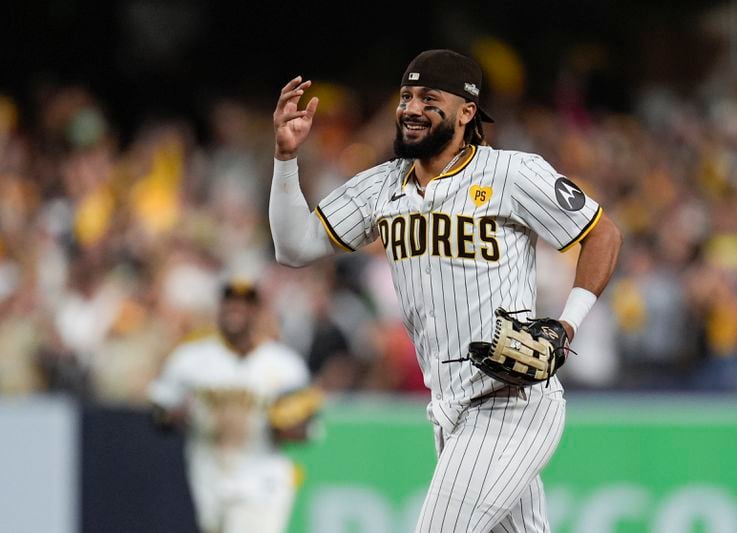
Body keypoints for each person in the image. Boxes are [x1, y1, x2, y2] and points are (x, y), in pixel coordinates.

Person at [269, 49, 622, 532]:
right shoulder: (382, 186)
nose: (411, 108)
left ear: (466, 111)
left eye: (429, 98)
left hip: (510, 402)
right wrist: (286, 158)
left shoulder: (510, 172)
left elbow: (601, 233)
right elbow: (293, 247)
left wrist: (566, 324)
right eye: (406, 96)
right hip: (450, 409)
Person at [148, 277, 322, 533]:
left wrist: (285, 426)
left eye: (244, 305)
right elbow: (158, 411)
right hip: (207, 476)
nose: (235, 311)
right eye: (229, 304)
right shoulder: (192, 358)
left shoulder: (285, 366)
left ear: (257, 312)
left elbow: (308, 429)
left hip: (262, 480)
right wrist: (174, 415)